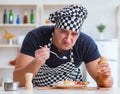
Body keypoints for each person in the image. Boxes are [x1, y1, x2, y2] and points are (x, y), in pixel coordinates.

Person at [13, 5, 113, 87]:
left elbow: (104, 84)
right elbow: (17, 79)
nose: (68, 39)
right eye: (63, 32)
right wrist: (36, 62)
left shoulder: (85, 43)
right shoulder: (36, 37)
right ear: (55, 28)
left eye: (74, 34)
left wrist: (105, 78)